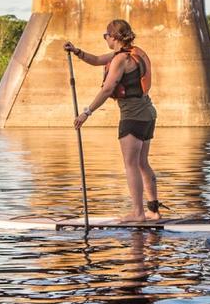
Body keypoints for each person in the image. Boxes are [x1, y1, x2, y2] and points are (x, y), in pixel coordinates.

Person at [68, 20, 161, 222]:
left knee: (131, 165)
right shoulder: (134, 52)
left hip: (132, 115)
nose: (105, 39)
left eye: (106, 35)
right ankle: (153, 211)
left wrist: (86, 112)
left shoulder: (120, 60)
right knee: (142, 163)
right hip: (148, 113)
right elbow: (97, 60)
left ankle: (138, 213)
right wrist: (77, 51)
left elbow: (108, 89)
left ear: (114, 37)